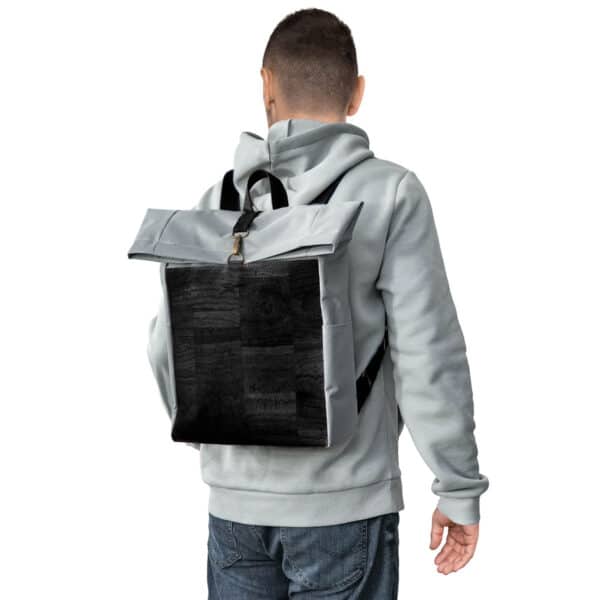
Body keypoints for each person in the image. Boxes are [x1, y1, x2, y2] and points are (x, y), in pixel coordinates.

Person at [146, 8, 490, 599]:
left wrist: (222, 441)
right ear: (357, 93)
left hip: (234, 512)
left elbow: (164, 344)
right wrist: (457, 486)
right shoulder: (390, 193)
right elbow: (427, 355)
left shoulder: (218, 201)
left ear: (265, 86)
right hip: (344, 506)